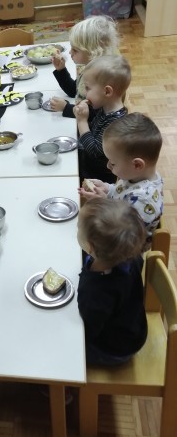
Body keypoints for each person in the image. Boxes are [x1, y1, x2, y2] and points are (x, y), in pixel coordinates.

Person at [77, 198, 147, 366]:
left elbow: (87, 331)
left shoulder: (97, 291)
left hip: (114, 349)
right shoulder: (131, 257)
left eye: (78, 227)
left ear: (90, 246)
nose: (77, 229)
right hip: (134, 331)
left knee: (65, 349)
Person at [79, 113, 163, 249]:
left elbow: (120, 232)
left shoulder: (143, 200)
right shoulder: (136, 176)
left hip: (124, 252)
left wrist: (103, 202)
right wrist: (107, 188)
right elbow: (123, 191)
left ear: (137, 165)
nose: (108, 166)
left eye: (113, 163)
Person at [50, 15, 120, 117]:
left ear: (93, 52)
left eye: (75, 50)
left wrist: (66, 108)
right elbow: (74, 91)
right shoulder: (88, 68)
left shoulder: (100, 78)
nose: (70, 52)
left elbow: (94, 115)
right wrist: (61, 70)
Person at [74, 54, 130, 183]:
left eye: (88, 88)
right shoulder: (104, 106)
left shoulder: (115, 123)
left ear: (107, 92)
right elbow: (93, 129)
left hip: (98, 178)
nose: (85, 93)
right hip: (88, 167)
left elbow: (94, 151)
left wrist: (82, 121)